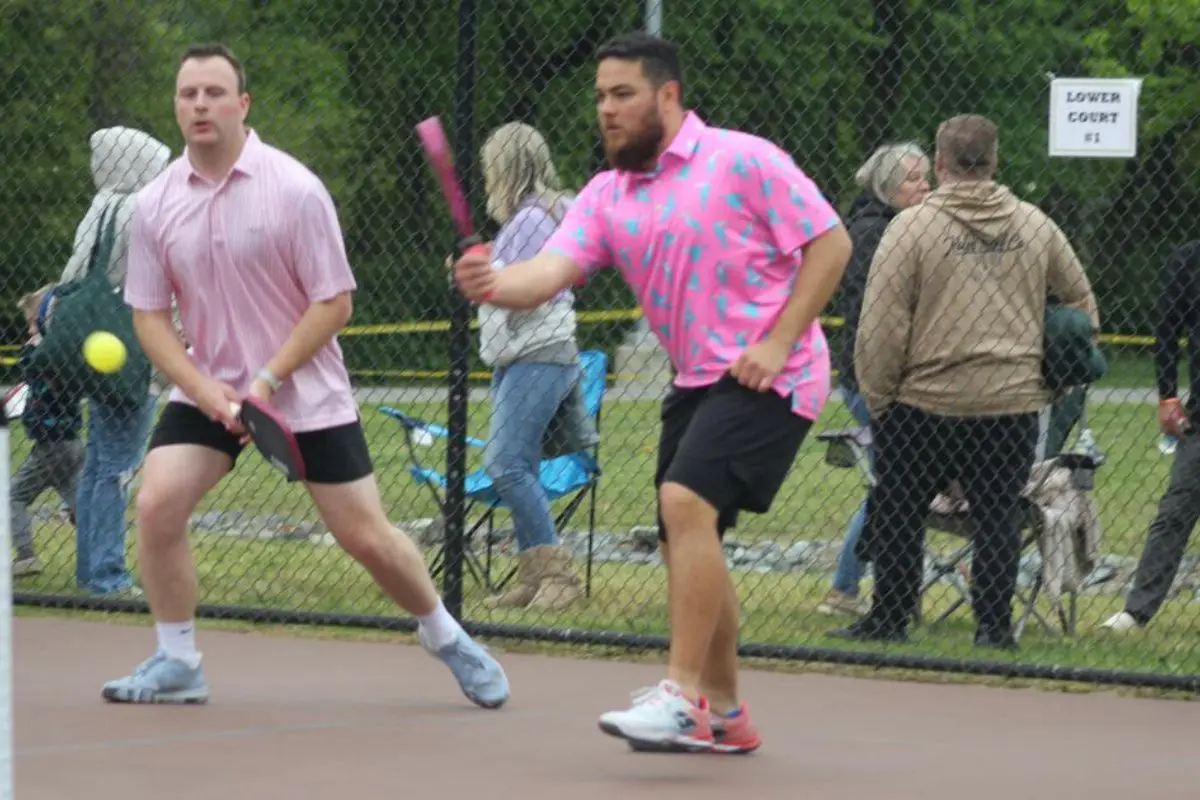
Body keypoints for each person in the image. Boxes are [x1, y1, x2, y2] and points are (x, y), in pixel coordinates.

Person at [454, 32, 852, 752]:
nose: (606, 110)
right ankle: (727, 715)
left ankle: (682, 698)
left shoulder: (744, 159)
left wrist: (778, 340)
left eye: (622, 95)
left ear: (667, 95)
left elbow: (831, 243)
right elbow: (543, 275)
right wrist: (491, 283)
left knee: (682, 504)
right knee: (686, 542)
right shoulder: (609, 194)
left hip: (776, 372)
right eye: (600, 97)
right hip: (696, 380)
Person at [101, 42, 509, 709]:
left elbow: (335, 302)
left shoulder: (294, 189)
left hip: (303, 390)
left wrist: (264, 381)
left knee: (366, 537)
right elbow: (149, 317)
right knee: (156, 504)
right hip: (207, 387)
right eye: (187, 94)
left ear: (242, 103)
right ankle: (177, 661)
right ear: (177, 106)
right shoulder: (154, 204)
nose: (199, 104)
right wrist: (205, 389)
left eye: (213, 92)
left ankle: (444, 634)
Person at [835, 114, 1099, 649]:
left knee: (900, 507)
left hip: (924, 399)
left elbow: (880, 323)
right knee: (999, 514)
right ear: (995, 161)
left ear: (940, 163)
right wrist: (1051, 376)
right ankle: (994, 628)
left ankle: (891, 616)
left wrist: (880, 396)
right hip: (1009, 398)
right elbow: (1081, 304)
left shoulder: (911, 228)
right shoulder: (1033, 224)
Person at [476, 121, 586, 611]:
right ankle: (534, 575)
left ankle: (559, 578)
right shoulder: (547, 214)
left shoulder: (528, 221)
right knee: (522, 466)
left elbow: (517, 292)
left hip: (534, 352)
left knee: (505, 464)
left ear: (503, 168)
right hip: (534, 353)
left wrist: (481, 277)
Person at [818, 142, 930, 618]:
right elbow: (871, 305)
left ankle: (882, 587)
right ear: (887, 186)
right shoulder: (871, 232)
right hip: (872, 376)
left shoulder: (906, 227)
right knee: (897, 481)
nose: (924, 187)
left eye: (927, 177)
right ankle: (845, 587)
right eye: (913, 179)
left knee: (903, 479)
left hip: (899, 374)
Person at [60, 126, 171, 597]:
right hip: (131, 350)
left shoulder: (100, 207)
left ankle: (91, 570)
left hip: (98, 350)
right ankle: (106, 576)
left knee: (98, 462)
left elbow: (72, 275)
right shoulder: (140, 209)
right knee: (118, 466)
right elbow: (162, 276)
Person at [1101, 240, 1200, 632]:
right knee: (1175, 509)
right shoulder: (1190, 258)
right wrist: (1168, 395)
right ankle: (1136, 611)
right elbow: (1166, 327)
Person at [9, 285, 85, 578]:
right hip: (72, 442)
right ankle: (94, 552)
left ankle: (26, 556)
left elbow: (29, 367)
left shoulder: (41, 355)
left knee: (13, 497)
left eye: (32, 322)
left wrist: (34, 344)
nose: (29, 330)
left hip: (50, 444)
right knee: (79, 503)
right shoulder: (72, 350)